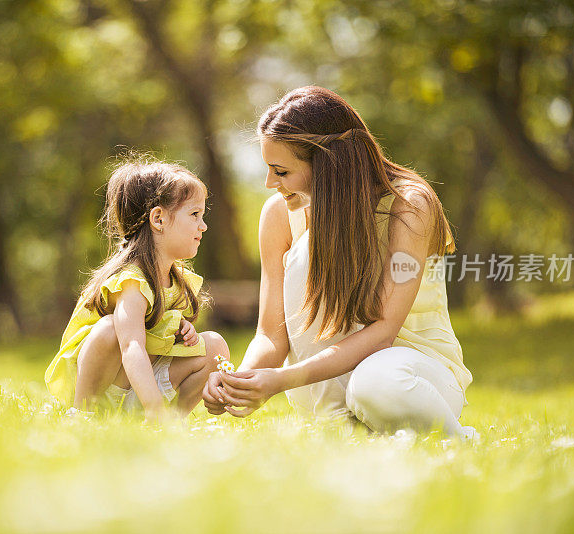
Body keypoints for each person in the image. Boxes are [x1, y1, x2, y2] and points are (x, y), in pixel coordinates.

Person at [203, 86, 476, 439]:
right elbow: (271, 334)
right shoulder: (278, 215)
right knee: (305, 255)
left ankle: (459, 440)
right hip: (324, 383)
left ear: (328, 164)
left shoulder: (408, 206)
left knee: (375, 385)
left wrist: (281, 380)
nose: (270, 183)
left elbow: (383, 331)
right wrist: (240, 381)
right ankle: (344, 427)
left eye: (281, 171)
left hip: (409, 374)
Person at [45, 158, 229, 420]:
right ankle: (85, 414)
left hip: (141, 384)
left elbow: (154, 333)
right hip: (108, 385)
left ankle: (172, 421)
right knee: (110, 329)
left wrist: (179, 328)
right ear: (159, 219)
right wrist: (153, 406)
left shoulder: (176, 279)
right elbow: (131, 345)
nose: (203, 225)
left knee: (214, 345)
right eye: (194, 215)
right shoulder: (132, 280)